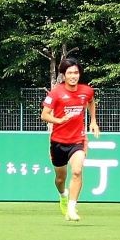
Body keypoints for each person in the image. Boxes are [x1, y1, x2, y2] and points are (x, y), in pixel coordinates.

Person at [40, 57, 99, 222]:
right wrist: (60, 120)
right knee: (60, 179)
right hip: (58, 142)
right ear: (63, 75)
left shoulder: (87, 91)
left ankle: (72, 208)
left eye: (76, 72)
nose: (74, 76)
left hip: (77, 140)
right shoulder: (56, 93)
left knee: (77, 171)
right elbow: (44, 115)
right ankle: (63, 195)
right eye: (70, 73)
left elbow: (91, 101)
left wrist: (93, 121)